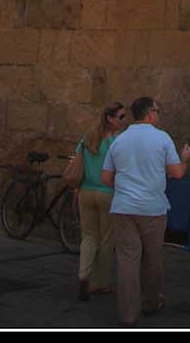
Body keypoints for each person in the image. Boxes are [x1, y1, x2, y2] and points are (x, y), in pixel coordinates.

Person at [100, 96, 190, 327]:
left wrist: (124, 189)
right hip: (152, 208)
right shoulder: (162, 139)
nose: (159, 115)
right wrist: (186, 159)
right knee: (153, 258)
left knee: (127, 261)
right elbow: (178, 173)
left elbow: (105, 177)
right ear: (150, 113)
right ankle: (151, 302)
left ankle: (128, 314)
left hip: (123, 207)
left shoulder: (118, 141)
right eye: (158, 111)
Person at [75, 100, 126, 301]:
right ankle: (100, 283)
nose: (124, 120)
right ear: (110, 118)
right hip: (107, 193)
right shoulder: (116, 142)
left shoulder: (87, 137)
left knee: (88, 237)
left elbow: (78, 162)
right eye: (121, 116)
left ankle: (83, 275)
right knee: (106, 240)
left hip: (85, 192)